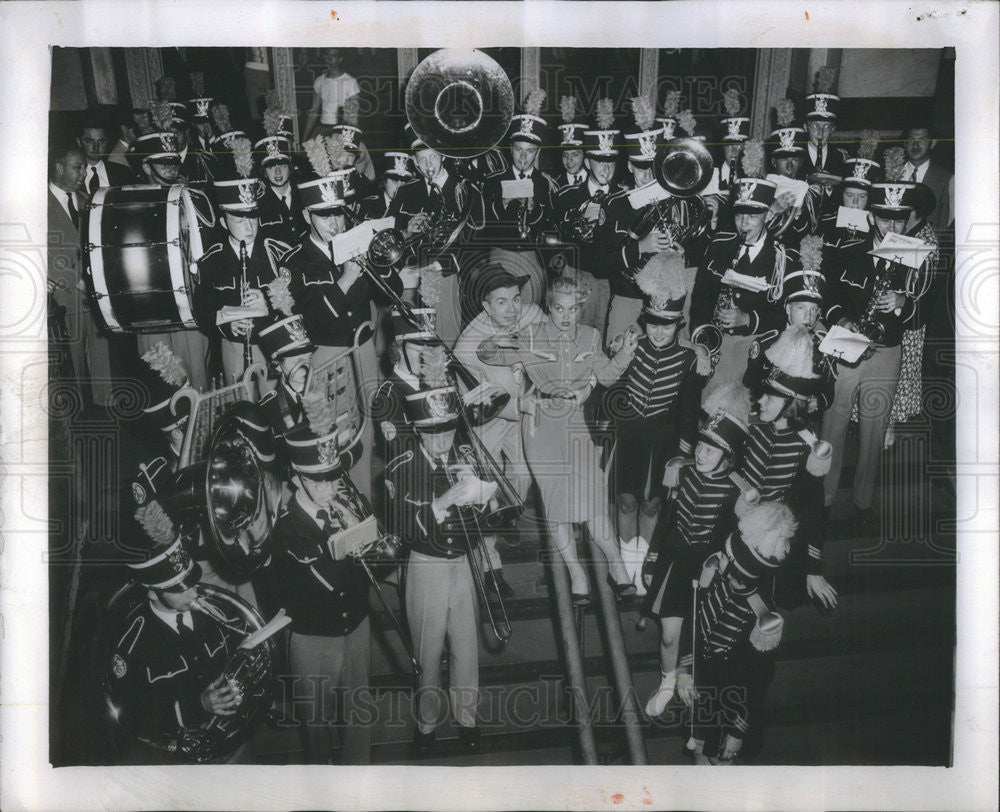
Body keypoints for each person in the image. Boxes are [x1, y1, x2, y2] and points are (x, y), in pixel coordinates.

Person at [477, 275, 638, 604]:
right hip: (540, 424)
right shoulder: (532, 335)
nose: (566, 316)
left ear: (580, 309)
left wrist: (624, 355)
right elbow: (488, 355)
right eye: (559, 308)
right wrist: (504, 340)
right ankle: (577, 574)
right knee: (555, 505)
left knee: (593, 497)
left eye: (573, 309)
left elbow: (606, 376)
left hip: (575, 421)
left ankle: (617, 568)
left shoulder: (591, 337)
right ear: (549, 308)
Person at [282, 161, 402, 501]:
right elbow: (313, 321)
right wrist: (347, 278)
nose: (334, 223)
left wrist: (381, 261)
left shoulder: (354, 242)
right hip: (329, 356)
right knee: (336, 435)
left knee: (368, 434)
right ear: (307, 217)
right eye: (324, 216)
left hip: (364, 351)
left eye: (337, 213)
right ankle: (338, 512)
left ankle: (365, 508)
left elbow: (388, 292)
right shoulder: (296, 262)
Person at [383, 370, 488, 756]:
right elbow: (400, 527)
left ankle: (467, 719)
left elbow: (490, 508)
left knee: (466, 646)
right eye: (435, 433)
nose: (444, 440)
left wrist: (479, 493)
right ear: (419, 431)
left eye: (448, 430)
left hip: (463, 560)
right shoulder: (402, 465)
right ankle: (426, 725)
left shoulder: (464, 453)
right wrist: (442, 503)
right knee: (426, 652)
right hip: (426, 564)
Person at [265, 418, 373, 764]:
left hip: (356, 627)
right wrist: (344, 544)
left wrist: (364, 534)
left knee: (358, 714)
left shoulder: (351, 504)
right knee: (316, 724)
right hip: (313, 639)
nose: (331, 487)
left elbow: (378, 566)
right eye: (320, 480)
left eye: (335, 476)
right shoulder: (285, 528)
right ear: (297, 478)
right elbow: (303, 587)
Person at [641, 382, 751, 716]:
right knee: (670, 636)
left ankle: (691, 681)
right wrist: (652, 557)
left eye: (711, 450)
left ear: (728, 456)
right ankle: (667, 681)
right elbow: (666, 521)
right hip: (675, 562)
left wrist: (719, 566)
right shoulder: (681, 470)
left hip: (709, 571)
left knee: (699, 635)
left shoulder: (739, 492)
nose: (700, 454)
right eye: (701, 445)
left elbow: (736, 540)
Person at [820, 182, 926, 529]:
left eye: (898, 221)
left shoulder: (915, 255)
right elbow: (829, 293)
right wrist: (840, 317)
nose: (892, 229)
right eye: (884, 220)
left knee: (874, 428)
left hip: (887, 348)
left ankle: (863, 501)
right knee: (832, 421)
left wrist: (903, 303)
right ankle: (823, 496)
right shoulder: (849, 251)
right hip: (849, 339)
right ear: (871, 216)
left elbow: (928, 311)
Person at [105, 521, 244, 764]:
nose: (194, 593)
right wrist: (197, 705)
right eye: (181, 589)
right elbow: (129, 715)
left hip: (236, 741)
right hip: (179, 759)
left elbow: (236, 656)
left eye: (192, 581)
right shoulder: (132, 645)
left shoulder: (216, 613)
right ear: (152, 591)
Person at [674, 502, 798, 765]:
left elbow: (758, 682)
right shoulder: (713, 573)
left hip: (732, 703)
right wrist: (684, 672)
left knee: (720, 773)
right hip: (701, 689)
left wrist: (736, 731)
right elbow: (693, 624)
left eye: (739, 571)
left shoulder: (765, 617)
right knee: (699, 760)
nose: (730, 574)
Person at [453, 266, 549, 597]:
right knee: (487, 491)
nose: (513, 309)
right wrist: (517, 406)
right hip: (487, 420)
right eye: (502, 302)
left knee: (522, 475)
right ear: (485, 305)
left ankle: (505, 514)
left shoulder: (534, 315)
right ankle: (490, 567)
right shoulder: (466, 347)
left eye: (516, 299)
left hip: (525, 410)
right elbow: (472, 403)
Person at [614, 250, 707, 594]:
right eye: (652, 323)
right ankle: (626, 565)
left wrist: (682, 455)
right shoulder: (630, 347)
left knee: (652, 503)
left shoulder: (688, 359)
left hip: (663, 438)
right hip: (629, 435)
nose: (657, 331)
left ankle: (644, 568)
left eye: (666, 325)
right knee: (625, 499)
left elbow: (688, 411)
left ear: (678, 325)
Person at [690, 161, 797, 396]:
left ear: (768, 214)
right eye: (739, 216)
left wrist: (748, 318)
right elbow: (701, 298)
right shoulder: (720, 245)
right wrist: (700, 341)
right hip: (715, 344)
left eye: (753, 216)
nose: (743, 224)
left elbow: (784, 316)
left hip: (754, 348)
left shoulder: (783, 257)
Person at [193, 144, 282, 387]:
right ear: (223, 221)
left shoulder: (278, 253)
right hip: (232, 345)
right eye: (239, 218)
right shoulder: (211, 261)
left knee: (274, 405)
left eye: (253, 216)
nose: (249, 226)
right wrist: (226, 325)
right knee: (241, 405)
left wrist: (269, 301)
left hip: (272, 341)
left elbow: (298, 300)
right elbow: (201, 311)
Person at [589, 97, 676, 345]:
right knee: (616, 374)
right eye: (640, 168)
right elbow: (599, 263)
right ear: (629, 166)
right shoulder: (614, 205)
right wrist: (639, 247)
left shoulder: (676, 202)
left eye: (652, 167)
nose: (647, 176)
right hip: (628, 300)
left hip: (666, 306)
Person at [47, 145, 115, 408]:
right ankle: (73, 415)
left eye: (85, 168)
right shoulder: (35, 203)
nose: (84, 173)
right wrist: (76, 279)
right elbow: (39, 249)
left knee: (102, 360)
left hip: (95, 294)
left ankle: (106, 409)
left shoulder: (89, 202)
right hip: (66, 296)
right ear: (59, 167)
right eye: (78, 168)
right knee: (71, 363)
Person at [481, 90, 555, 308]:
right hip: (500, 256)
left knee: (529, 315)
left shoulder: (544, 183)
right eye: (518, 150)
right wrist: (501, 206)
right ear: (510, 149)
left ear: (537, 152)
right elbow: (483, 227)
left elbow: (551, 227)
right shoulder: (493, 181)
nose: (523, 157)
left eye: (530, 151)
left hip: (531, 257)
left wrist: (534, 211)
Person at [255, 131, 307, 245]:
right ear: (264, 173)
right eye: (271, 167)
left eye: (283, 166)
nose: (277, 172)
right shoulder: (259, 202)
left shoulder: (305, 195)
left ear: (290, 168)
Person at [900, 123, 953, 232]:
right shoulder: (890, 173)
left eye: (922, 140)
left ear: (932, 143)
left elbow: (947, 221)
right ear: (905, 143)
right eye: (911, 140)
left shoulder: (946, 179)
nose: (915, 145)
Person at [302, 48, 361, 142]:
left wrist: (353, 140)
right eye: (327, 55)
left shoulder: (350, 82)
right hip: (322, 130)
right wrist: (304, 139)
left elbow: (354, 117)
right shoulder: (319, 81)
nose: (329, 59)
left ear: (340, 59)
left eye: (333, 56)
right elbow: (313, 112)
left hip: (341, 132)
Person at [77, 116, 135, 192]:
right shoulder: (71, 174)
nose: (96, 147)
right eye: (89, 141)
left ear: (107, 142)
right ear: (79, 142)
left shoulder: (122, 172)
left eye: (101, 141)